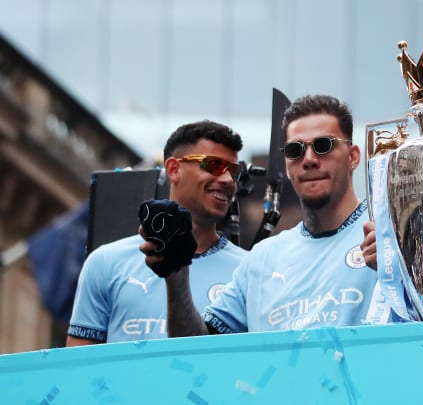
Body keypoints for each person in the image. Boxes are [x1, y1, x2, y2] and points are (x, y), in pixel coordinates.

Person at [142, 94, 382, 335]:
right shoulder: (261, 259)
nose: (309, 160)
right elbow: (198, 352)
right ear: (287, 166)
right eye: (295, 150)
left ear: (353, 157)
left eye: (323, 146)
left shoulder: (386, 236)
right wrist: (177, 277)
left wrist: (398, 273)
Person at [66, 120, 248, 345]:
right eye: (214, 165)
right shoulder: (105, 262)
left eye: (234, 171)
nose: (228, 180)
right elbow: (80, 366)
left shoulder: (249, 270)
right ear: (173, 169)